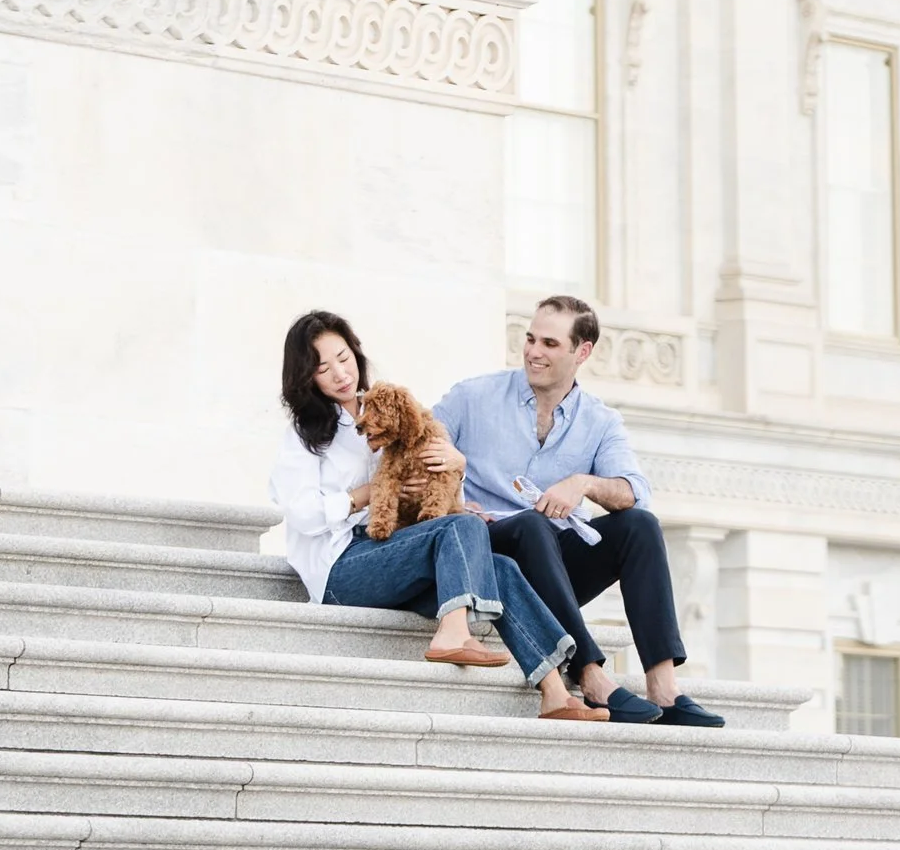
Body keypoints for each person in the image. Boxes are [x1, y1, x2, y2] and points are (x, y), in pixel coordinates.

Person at [268, 307, 599, 720]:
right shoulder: (304, 435)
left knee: (501, 569)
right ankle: (453, 631)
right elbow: (303, 516)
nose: (339, 374)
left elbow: (427, 480)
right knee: (460, 526)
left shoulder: (383, 410)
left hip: (391, 552)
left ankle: (554, 693)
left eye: (344, 358)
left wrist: (455, 466)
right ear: (306, 377)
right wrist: (367, 494)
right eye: (322, 367)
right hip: (341, 568)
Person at [434, 294, 723, 725]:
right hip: (490, 553)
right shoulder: (473, 397)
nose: (533, 351)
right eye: (530, 339)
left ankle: (663, 687)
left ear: (581, 352)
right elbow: (416, 448)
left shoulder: (599, 421)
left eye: (550, 344)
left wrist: (583, 483)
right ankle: (588, 672)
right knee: (532, 524)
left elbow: (635, 492)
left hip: (552, 561)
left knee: (640, 526)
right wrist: (453, 497)